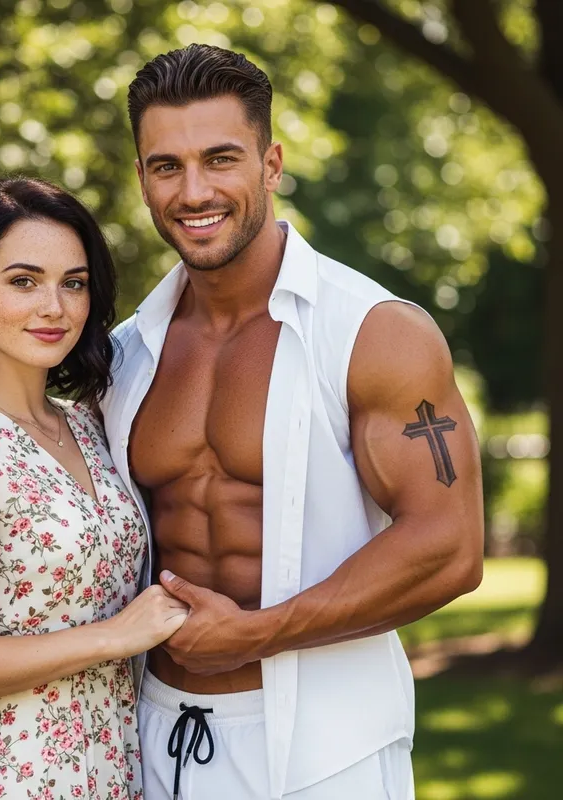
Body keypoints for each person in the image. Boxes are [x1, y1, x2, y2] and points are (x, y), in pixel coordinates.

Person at [101, 45, 484, 800]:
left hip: (328, 751)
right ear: (142, 177)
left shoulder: (374, 333)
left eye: (221, 158)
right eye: (166, 166)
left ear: (271, 164)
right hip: (153, 741)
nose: (194, 190)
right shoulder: (123, 356)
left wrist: (260, 631)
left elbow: (451, 547)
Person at [0, 177, 189, 800]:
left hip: (115, 771)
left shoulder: (90, 424)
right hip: (9, 777)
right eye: (23, 281)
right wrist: (113, 637)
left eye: (72, 283)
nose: (53, 307)